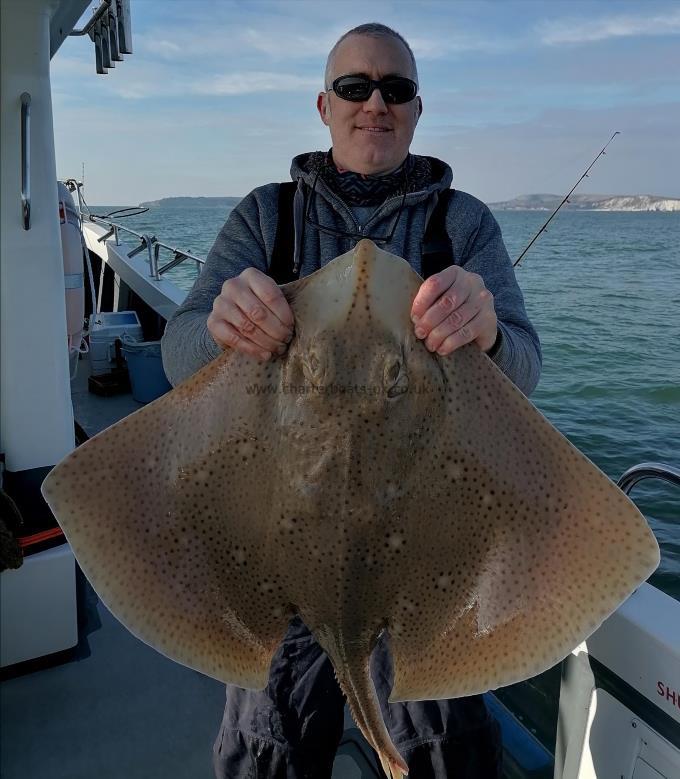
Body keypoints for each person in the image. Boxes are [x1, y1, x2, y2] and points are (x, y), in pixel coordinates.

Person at [162, 22, 540, 779]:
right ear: (323, 104)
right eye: (354, 86)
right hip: (281, 561)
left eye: (395, 89)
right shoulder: (265, 218)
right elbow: (180, 356)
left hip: (421, 567)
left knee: (443, 756)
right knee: (265, 751)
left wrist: (489, 329)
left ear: (417, 109)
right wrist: (222, 324)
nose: (376, 103)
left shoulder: (462, 224)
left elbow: (524, 370)